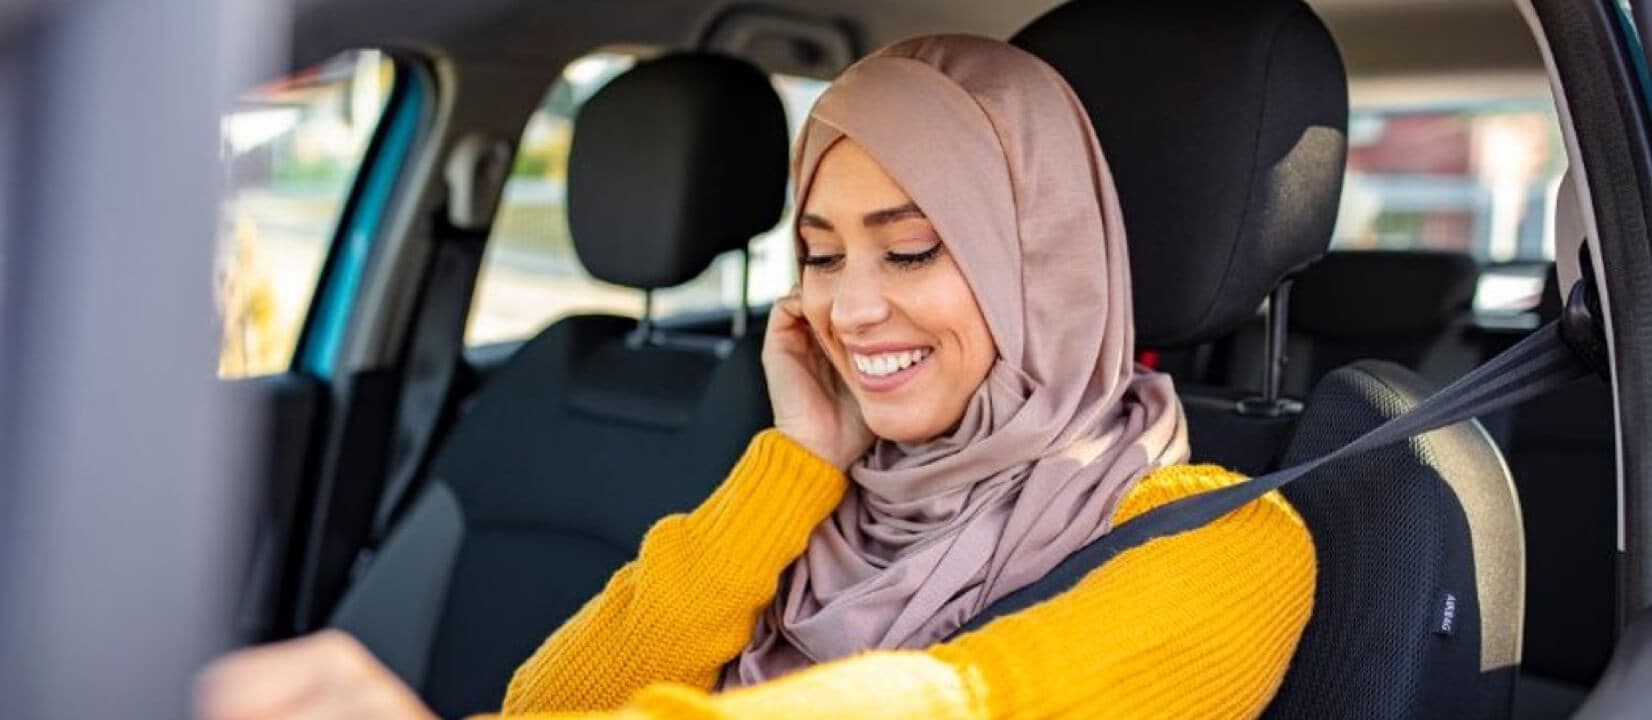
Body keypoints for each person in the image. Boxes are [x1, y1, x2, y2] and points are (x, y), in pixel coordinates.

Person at [196, 35, 1315, 720]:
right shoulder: (825, 511)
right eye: (820, 255)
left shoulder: (1221, 543)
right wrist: (793, 468)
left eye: (912, 247)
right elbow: (545, 705)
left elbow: (974, 707)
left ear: (1047, 264)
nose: (850, 305)